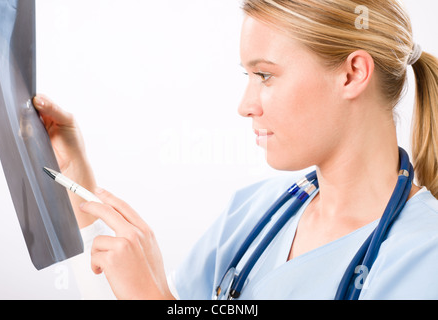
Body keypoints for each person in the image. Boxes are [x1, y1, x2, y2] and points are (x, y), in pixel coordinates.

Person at [33, 0, 438, 300]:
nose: (245, 105)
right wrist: (76, 176)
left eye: (265, 75)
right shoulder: (254, 214)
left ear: (352, 74)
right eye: (248, 75)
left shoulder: (424, 255)